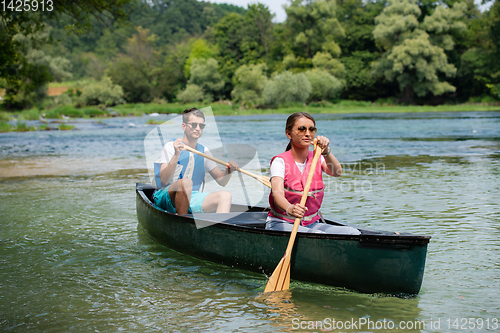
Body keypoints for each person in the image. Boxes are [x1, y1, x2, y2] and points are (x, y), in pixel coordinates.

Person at [266, 112, 360, 235]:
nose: (307, 134)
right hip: (281, 223)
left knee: (353, 232)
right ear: (288, 134)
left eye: (311, 129)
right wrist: (290, 208)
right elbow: (278, 195)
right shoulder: (279, 162)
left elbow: (337, 172)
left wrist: (326, 151)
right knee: (320, 237)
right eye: (301, 129)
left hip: (311, 223)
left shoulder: (318, 157)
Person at [153, 108, 238, 215]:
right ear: (184, 126)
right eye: (193, 125)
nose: (198, 128)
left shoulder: (204, 151)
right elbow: (164, 180)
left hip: (193, 197)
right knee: (186, 183)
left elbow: (221, 181)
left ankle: (217, 230)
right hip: (167, 195)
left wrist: (229, 171)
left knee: (225, 196)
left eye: (201, 126)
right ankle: (182, 224)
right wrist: (176, 154)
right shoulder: (170, 146)